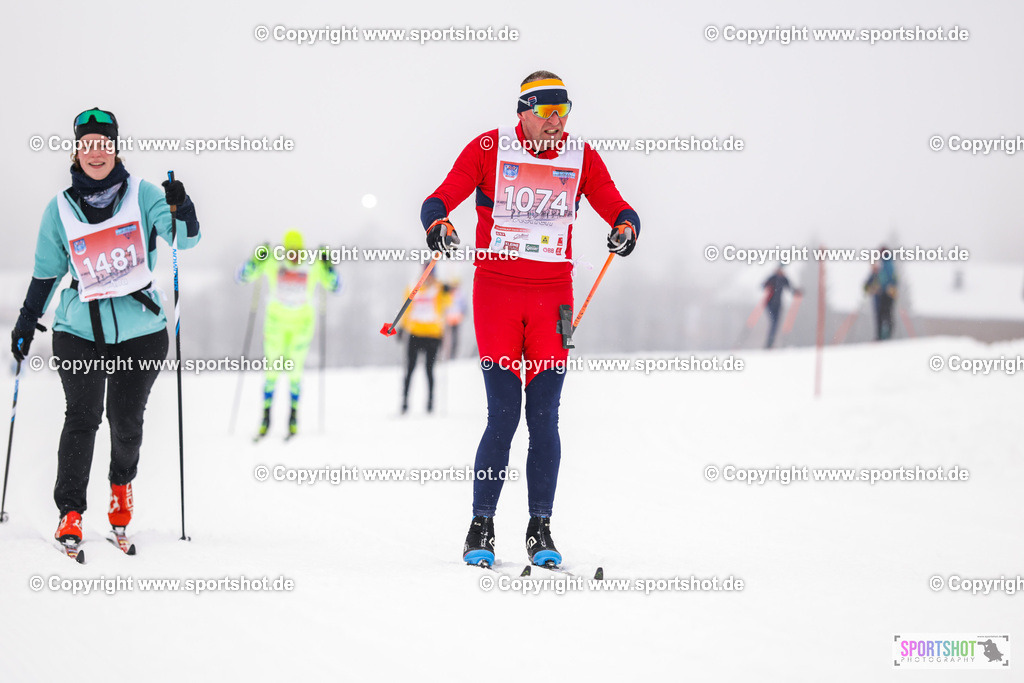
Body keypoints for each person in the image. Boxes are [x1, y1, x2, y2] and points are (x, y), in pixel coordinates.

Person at [420, 71, 640, 567]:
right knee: (503, 414)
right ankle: (481, 524)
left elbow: (618, 206)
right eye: (546, 112)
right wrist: (438, 223)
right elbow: (438, 199)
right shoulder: (489, 148)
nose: (556, 122)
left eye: (564, 111)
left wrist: (627, 226)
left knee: (544, 418)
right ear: (523, 112)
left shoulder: (580, 156)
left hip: (552, 299)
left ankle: (540, 528)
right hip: (497, 295)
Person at [10, 108, 202, 547]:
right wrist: (27, 320)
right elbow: (47, 272)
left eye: (104, 144)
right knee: (82, 417)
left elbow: (184, 238)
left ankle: (120, 487)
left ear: (115, 148)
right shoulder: (59, 209)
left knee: (126, 421)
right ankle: (70, 512)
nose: (96, 152)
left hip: (142, 331)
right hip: (78, 330)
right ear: (76, 151)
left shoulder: (144, 195)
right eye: (87, 145)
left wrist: (182, 205)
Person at [237, 231, 340, 438]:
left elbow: (335, 286)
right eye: (290, 252)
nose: (294, 256)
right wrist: (256, 259)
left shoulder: (313, 265)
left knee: (295, 371)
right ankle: (266, 417)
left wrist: (329, 266)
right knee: (272, 371)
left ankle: (293, 416)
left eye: (297, 252)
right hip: (275, 326)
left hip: (301, 327)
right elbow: (242, 277)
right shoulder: (273, 262)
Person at [399, 266, 451, 414]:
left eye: (431, 275)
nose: (429, 278)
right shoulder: (413, 287)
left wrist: (447, 292)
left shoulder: (439, 288)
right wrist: (402, 327)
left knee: (429, 369)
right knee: (410, 369)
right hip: (415, 333)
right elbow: (407, 308)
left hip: (433, 335)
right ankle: (404, 402)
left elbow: (447, 304)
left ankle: (430, 403)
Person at [761, 265, 801, 349]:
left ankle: (770, 343)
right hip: (770, 303)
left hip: (778, 305)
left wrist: (797, 291)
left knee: (775, 324)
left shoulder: (783, 279)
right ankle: (769, 343)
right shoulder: (773, 278)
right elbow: (763, 285)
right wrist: (766, 285)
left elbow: (790, 288)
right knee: (774, 323)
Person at [864, 248, 897, 340]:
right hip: (881, 296)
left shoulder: (885, 265)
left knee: (885, 315)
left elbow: (889, 279)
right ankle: (882, 336)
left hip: (885, 295)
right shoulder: (883, 266)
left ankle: (884, 336)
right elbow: (868, 284)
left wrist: (887, 287)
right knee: (883, 316)